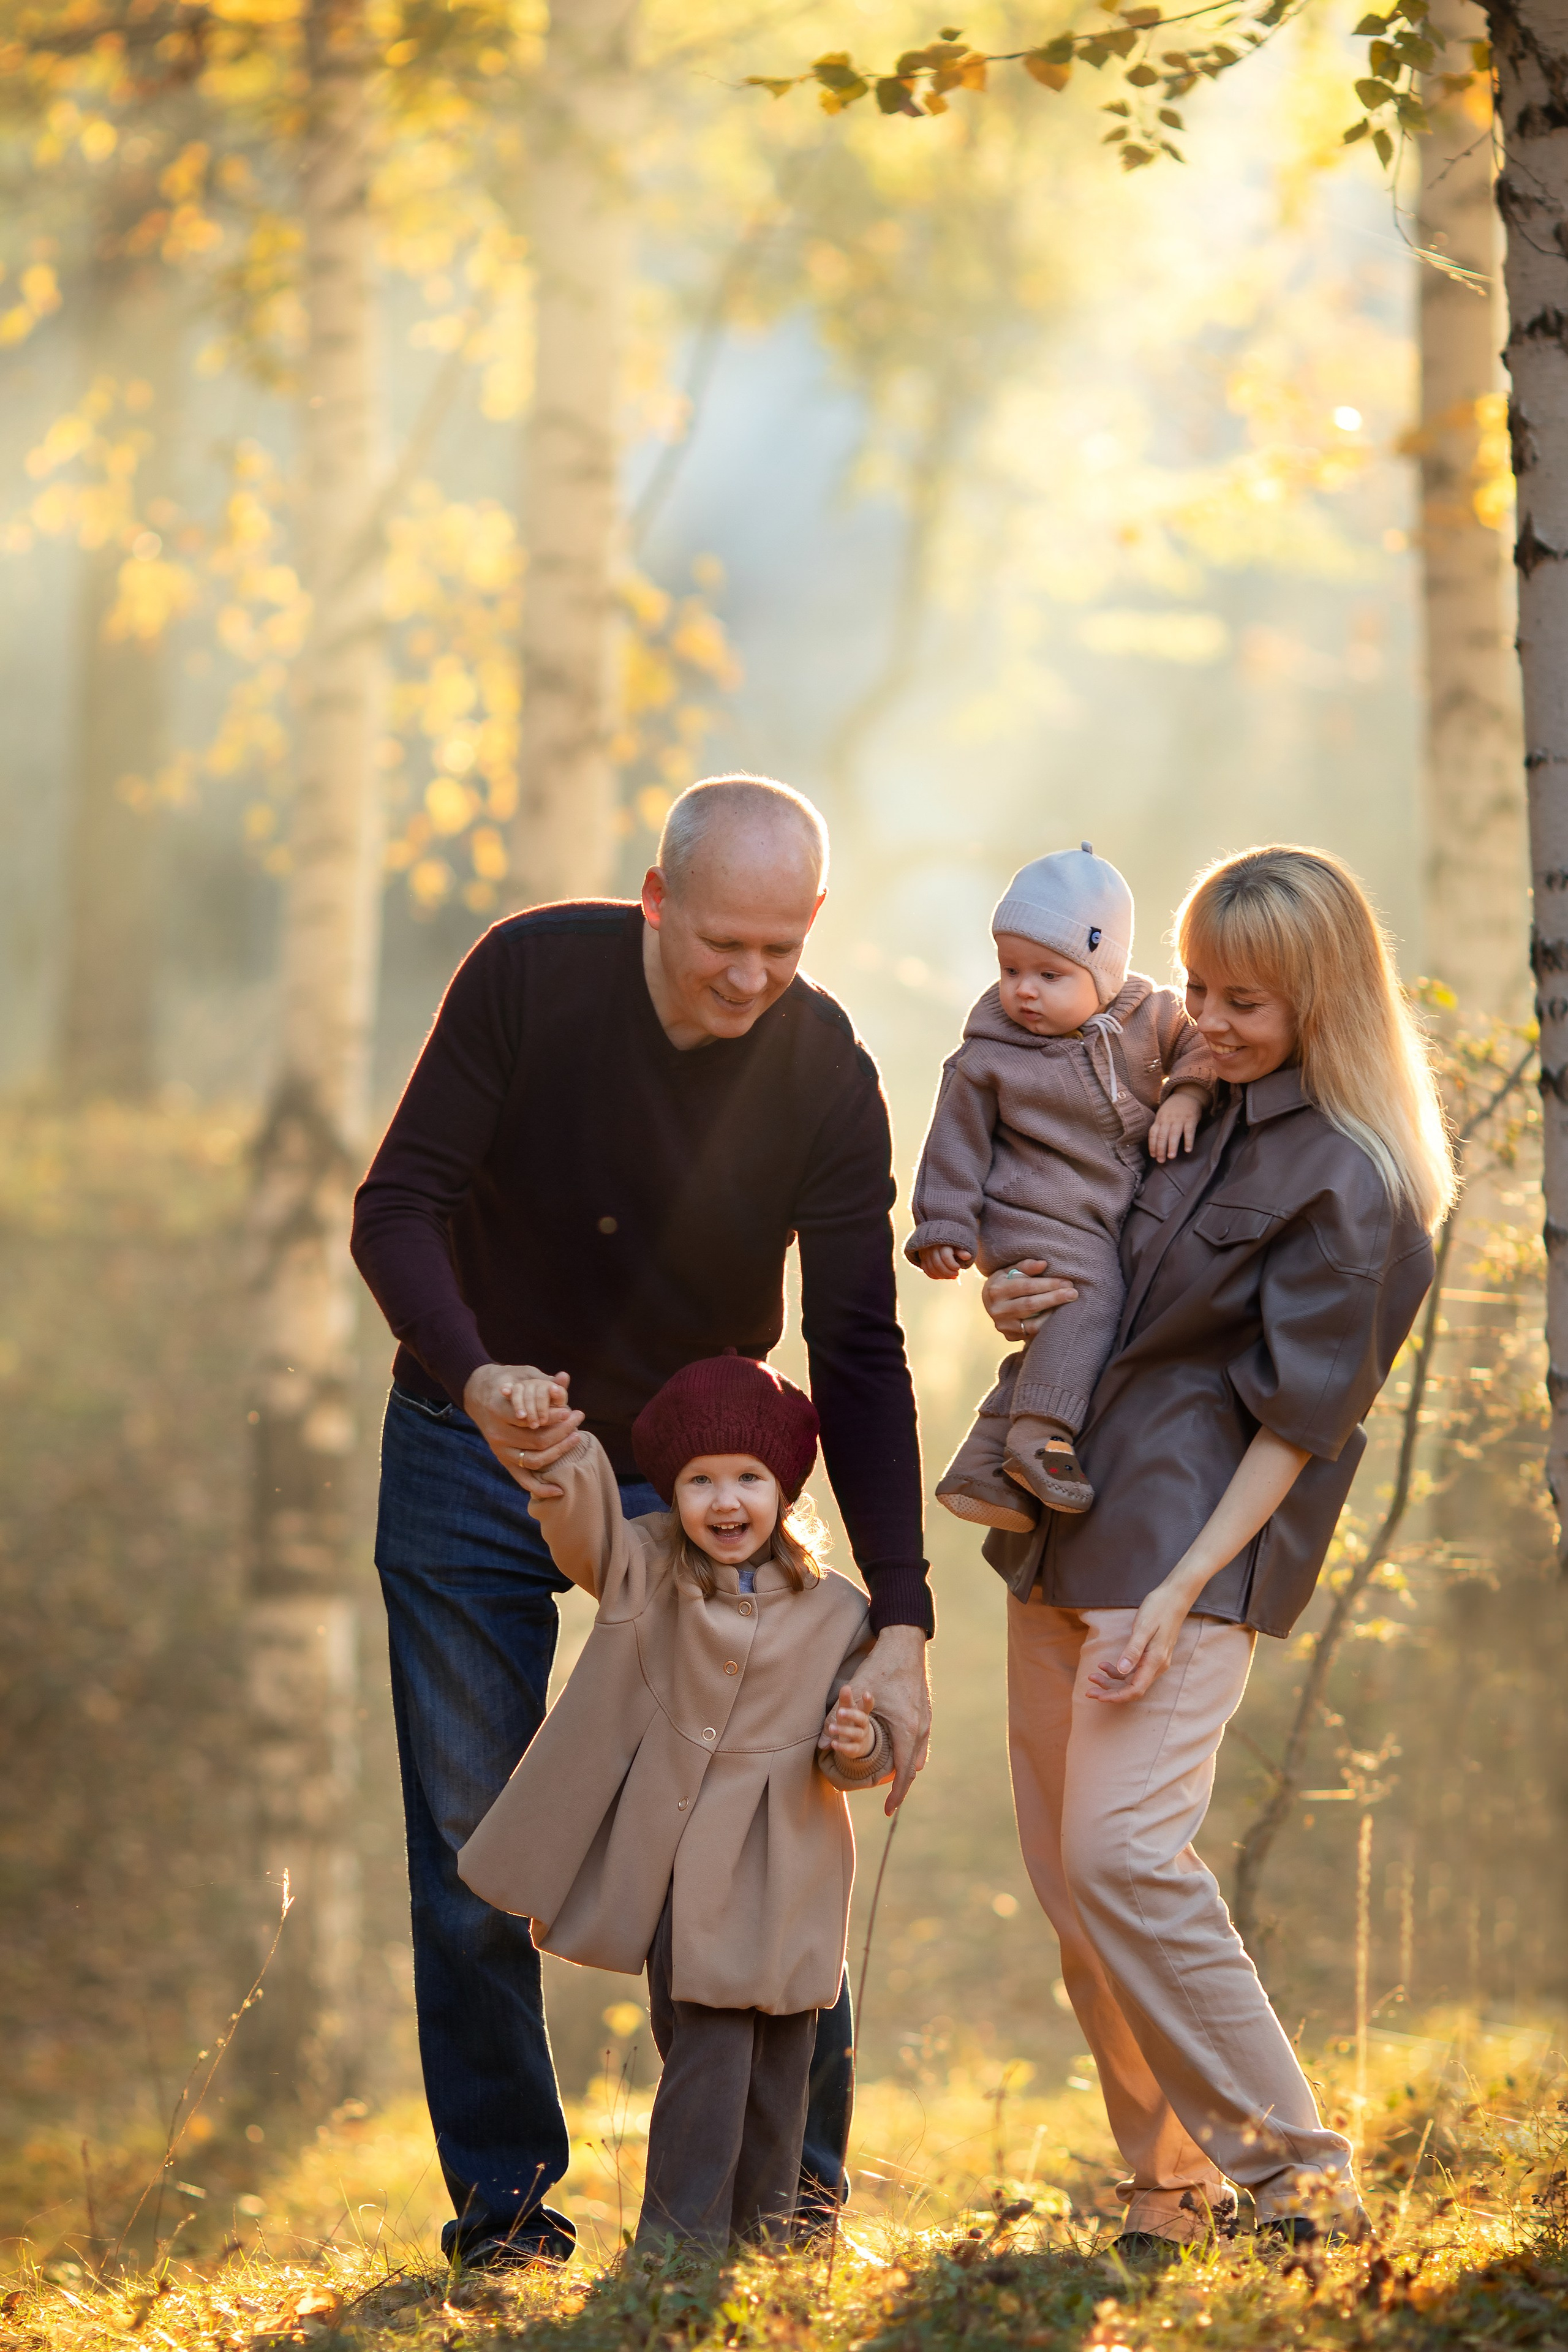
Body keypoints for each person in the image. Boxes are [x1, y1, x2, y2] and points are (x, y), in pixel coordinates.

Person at [350, 774, 932, 2270]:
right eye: (719, 941)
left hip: (700, 1487)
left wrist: (904, 1621)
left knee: (758, 1826)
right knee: (476, 1841)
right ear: (655, 899)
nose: (749, 978)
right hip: (470, 1447)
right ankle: (503, 2215)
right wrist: (475, 1371)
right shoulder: (532, 973)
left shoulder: (820, 1070)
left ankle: (790, 2200)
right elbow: (396, 1204)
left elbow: (858, 1348)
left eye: (781, 950)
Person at [978, 845, 1453, 2253]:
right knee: (1077, 1900)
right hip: (1058, 1534)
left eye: (1245, 996)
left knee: (1125, 1857)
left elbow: (1301, 1429)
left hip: (1184, 1555)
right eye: (1192, 983)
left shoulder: (1352, 1183)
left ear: (1322, 994)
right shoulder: (1168, 1099)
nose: (1208, 1015)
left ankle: (1300, 2178)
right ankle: (1168, 2189)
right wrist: (1017, 1294)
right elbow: (1075, 1257)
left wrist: (1181, 1594)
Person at [458, 1354, 893, 2252]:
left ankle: (770, 2246)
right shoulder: (646, 1566)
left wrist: (862, 1746)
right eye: (699, 1480)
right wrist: (559, 1444)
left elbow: (868, 1736)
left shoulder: (837, 1609)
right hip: (687, 1869)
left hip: (799, 1866)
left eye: (747, 1479)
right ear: (671, 1491)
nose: (723, 1502)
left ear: (784, 1490)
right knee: (708, 2045)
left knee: (785, 2057)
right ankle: (677, 2250)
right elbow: (580, 1528)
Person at [907, 842, 1213, 1525]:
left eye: (1050, 974)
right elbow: (952, 1148)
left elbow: (1199, 1046)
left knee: (1072, 1329)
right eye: (1010, 969)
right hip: (1032, 1211)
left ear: (1106, 972)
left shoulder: (1149, 1015)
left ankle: (985, 1464)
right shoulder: (988, 1057)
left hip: (1097, 1212)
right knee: (1094, 1298)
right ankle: (1041, 1434)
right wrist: (943, 1227)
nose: (1023, 990)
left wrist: (1186, 1096)